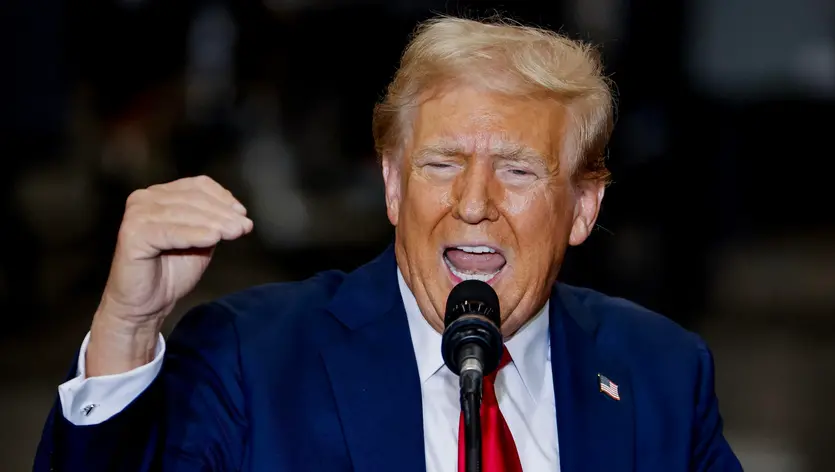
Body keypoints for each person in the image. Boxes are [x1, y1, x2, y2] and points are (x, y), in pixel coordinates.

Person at [33, 16, 743, 472]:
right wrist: (124, 330)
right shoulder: (253, 359)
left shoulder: (660, 374)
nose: (473, 203)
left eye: (517, 170)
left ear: (583, 207)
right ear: (394, 185)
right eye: (441, 164)